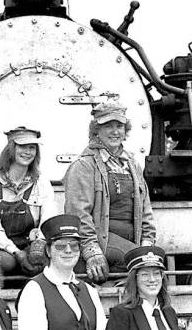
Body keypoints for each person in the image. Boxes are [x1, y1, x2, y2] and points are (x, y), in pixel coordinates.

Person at [64, 99, 156, 283]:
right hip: (103, 239)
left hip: (132, 240)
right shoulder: (84, 165)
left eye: (119, 126)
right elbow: (78, 214)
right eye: (108, 126)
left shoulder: (132, 164)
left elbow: (146, 210)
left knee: (153, 264)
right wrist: (92, 252)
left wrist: (148, 244)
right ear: (96, 130)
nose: (115, 131)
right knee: (141, 263)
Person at [0, 126, 55, 275]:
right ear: (10, 149)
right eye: (22, 146)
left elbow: (48, 220)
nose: (28, 152)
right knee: (4, 263)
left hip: (30, 245)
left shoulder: (41, 183)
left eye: (32, 147)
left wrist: (39, 245)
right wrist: (16, 253)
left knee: (43, 262)